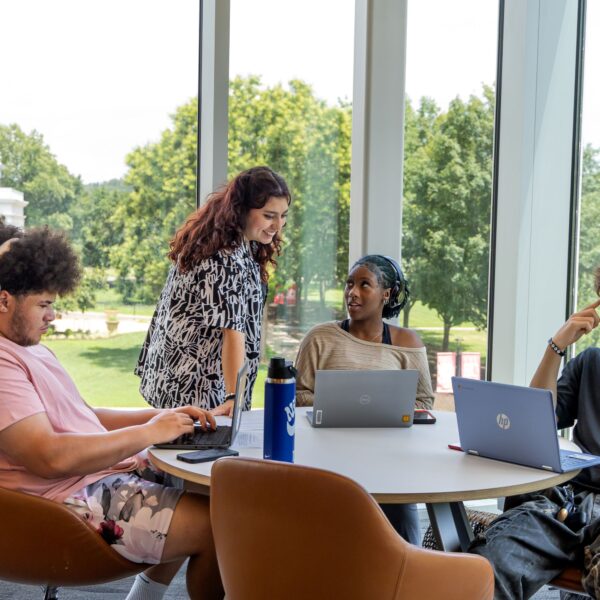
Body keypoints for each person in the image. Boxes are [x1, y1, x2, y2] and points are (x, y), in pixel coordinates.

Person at [0, 226, 223, 600]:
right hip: (63, 502)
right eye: (44, 304)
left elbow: (86, 416)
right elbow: (49, 457)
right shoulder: (3, 364)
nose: (52, 316)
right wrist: (150, 432)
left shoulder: (31, 349)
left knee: (210, 491)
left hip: (94, 481)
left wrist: (164, 416)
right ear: (4, 301)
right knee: (220, 525)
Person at [469, 276, 600, 600]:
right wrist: (556, 346)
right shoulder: (591, 363)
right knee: (484, 570)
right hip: (565, 503)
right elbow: (535, 423)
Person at [294, 254, 434, 545]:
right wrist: (342, 404)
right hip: (328, 459)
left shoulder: (408, 343)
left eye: (364, 284)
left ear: (387, 294)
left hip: (391, 462)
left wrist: (380, 410)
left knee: (406, 549)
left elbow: (424, 403)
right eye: (349, 284)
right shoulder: (319, 338)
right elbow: (298, 395)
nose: (352, 293)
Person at [135, 166, 291, 416]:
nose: (278, 226)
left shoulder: (238, 244)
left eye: (283, 216)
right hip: (195, 387)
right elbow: (233, 330)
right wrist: (233, 396)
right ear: (242, 210)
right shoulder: (223, 257)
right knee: (191, 454)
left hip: (190, 379)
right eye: (269, 215)